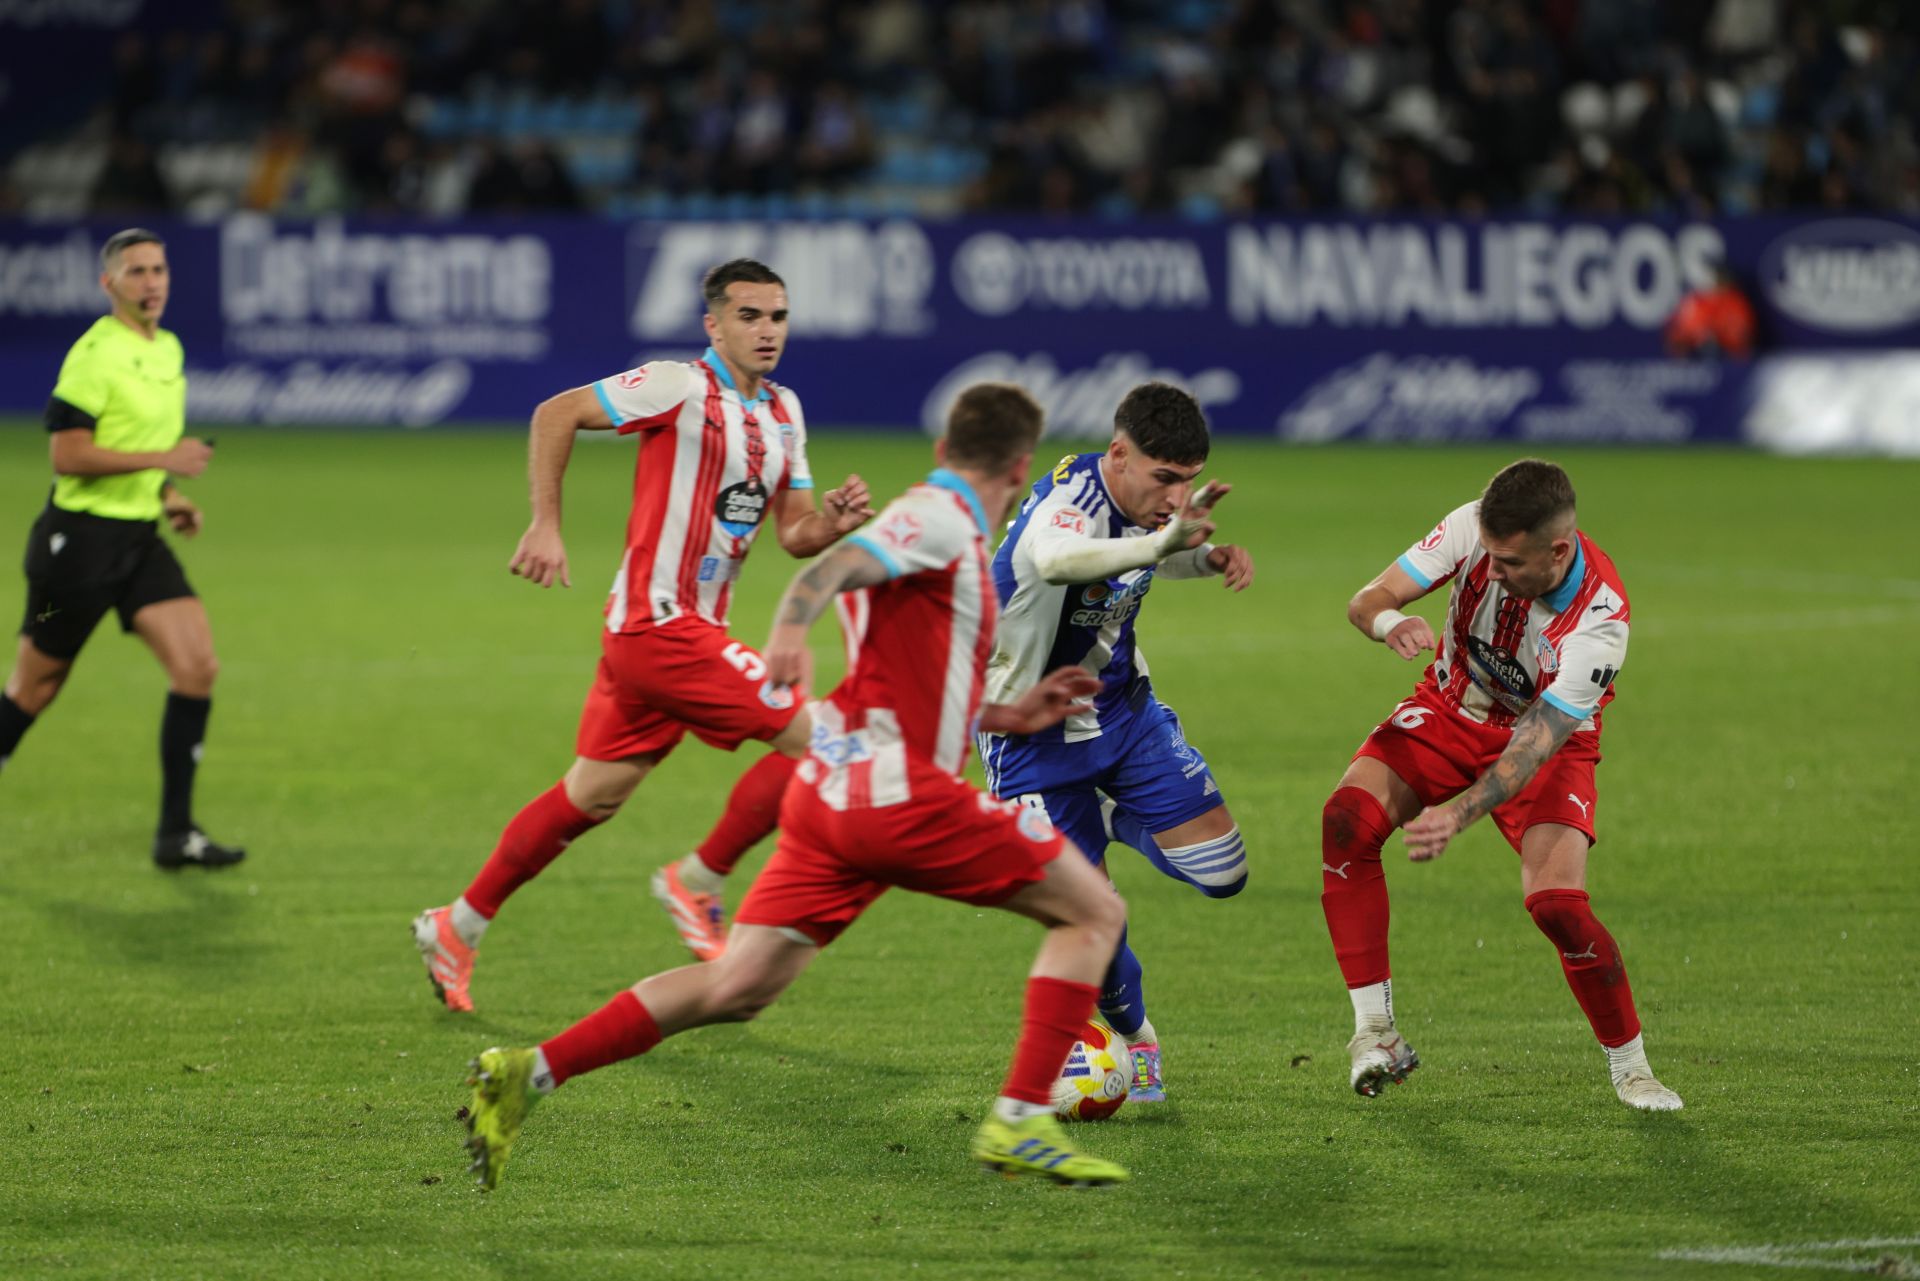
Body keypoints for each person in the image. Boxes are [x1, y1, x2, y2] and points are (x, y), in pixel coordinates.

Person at [460, 383, 1179, 1190]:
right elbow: (835, 564)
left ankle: (530, 1071)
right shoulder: (940, 517)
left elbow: (913, 675)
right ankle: (1019, 1121)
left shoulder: (947, 532)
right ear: (1021, 468)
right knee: (1093, 911)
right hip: (898, 796)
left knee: (736, 985)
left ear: (944, 447)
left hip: (832, 793)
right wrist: (788, 631)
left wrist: (1009, 712)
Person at [411, 258, 873, 1012]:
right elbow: (555, 413)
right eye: (749, 316)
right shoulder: (677, 386)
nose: (767, 330)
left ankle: (455, 925)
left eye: (778, 316)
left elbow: (793, 534)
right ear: (713, 325)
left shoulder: (784, 411)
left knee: (590, 796)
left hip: (676, 635)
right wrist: (546, 523)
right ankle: (699, 878)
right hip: (661, 627)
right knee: (828, 740)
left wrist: (832, 523)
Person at [1319, 459, 1682, 1111]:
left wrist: (1457, 814)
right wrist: (1390, 623)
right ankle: (1375, 1033)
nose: (1491, 572)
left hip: (1547, 742)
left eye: (1510, 563)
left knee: (1558, 906)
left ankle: (1632, 1068)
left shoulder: (1599, 622)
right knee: (1346, 820)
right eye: (1489, 555)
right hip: (1449, 707)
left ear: (1557, 552)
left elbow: (1534, 746)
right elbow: (1367, 599)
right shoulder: (1474, 526)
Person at [976, 382, 1256, 1104]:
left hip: (1124, 713)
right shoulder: (1068, 504)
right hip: (1030, 736)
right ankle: (1137, 1036)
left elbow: (1144, 556)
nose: (1176, 497)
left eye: (1189, 481)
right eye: (1165, 478)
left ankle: (1106, 820)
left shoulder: (1144, 512)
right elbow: (1057, 559)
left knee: (1224, 872)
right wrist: (1162, 541)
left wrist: (1200, 557)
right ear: (1119, 453)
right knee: (1092, 920)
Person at [1, 228, 243, 869]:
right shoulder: (95, 354)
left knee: (197, 666)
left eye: (158, 269)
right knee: (33, 690)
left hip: (137, 541)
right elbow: (68, 454)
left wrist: (167, 493)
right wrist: (165, 458)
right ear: (109, 284)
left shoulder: (168, 349)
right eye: (136, 271)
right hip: (74, 548)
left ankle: (175, 834)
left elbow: (131, 443)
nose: (151, 282)